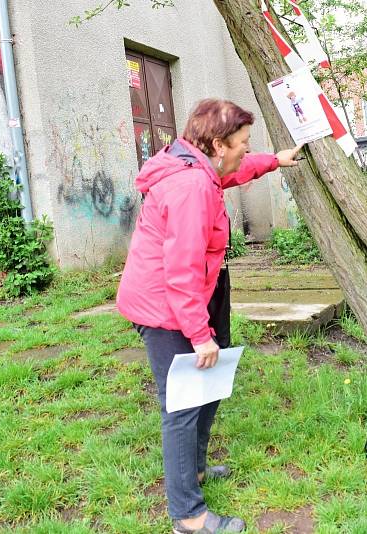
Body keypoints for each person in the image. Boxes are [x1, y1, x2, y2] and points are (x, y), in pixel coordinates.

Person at [117, 99, 302, 533]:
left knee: (210, 387)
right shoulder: (190, 188)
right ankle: (189, 516)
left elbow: (232, 171)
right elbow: (178, 272)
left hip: (199, 291)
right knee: (181, 405)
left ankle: (194, 470)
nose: (245, 149)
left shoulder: (200, 165)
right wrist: (199, 335)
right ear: (218, 144)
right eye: (241, 143)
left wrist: (273, 160)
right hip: (166, 306)